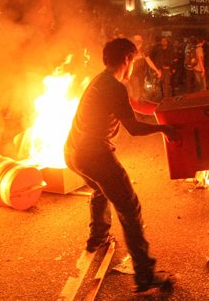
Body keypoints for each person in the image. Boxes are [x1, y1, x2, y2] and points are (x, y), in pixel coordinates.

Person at [64, 38, 180, 293]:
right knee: (130, 206)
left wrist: (161, 110)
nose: (133, 67)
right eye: (134, 60)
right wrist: (164, 129)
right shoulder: (113, 87)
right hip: (95, 155)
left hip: (72, 153)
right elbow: (134, 128)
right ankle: (145, 276)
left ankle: (98, 238)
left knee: (100, 190)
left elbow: (132, 109)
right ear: (127, 58)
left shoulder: (100, 80)